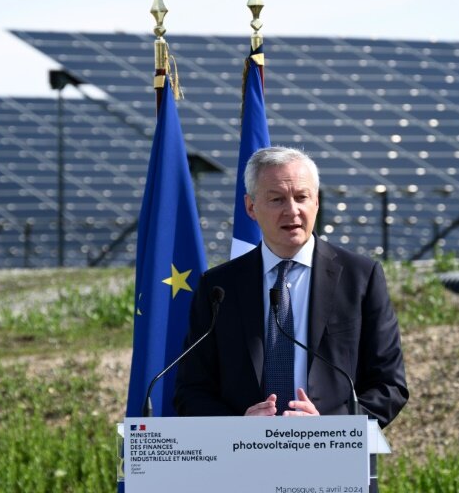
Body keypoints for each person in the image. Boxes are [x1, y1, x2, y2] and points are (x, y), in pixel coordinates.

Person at [173, 146, 408, 427]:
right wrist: (236, 426)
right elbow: (192, 390)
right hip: (244, 449)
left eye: (301, 197)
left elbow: (389, 386)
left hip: (332, 449)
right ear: (251, 207)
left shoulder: (360, 278)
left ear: (316, 202)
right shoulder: (218, 288)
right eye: (277, 199)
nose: (292, 210)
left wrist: (330, 427)